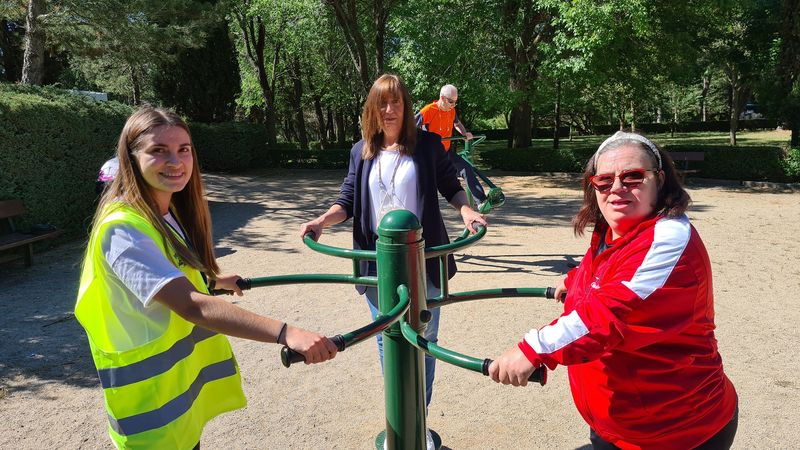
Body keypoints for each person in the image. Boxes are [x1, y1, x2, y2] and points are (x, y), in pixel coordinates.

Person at [75, 106, 338, 450]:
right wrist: (288, 333)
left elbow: (168, 277)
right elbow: (189, 305)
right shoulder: (123, 229)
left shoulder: (163, 213)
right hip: (150, 413)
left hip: (177, 402)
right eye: (158, 151)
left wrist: (211, 280)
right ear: (131, 157)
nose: (176, 161)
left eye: (184, 149)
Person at [489, 131, 738, 450]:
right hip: (618, 428)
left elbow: (607, 314)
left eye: (633, 176)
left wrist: (534, 349)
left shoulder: (668, 239)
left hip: (675, 433)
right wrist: (574, 280)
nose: (617, 188)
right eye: (604, 181)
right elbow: (609, 274)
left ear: (659, 181)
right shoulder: (615, 232)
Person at [300, 74, 486, 449]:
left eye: (396, 103)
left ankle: (418, 418)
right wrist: (321, 221)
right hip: (377, 265)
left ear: (406, 107)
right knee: (388, 341)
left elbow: (451, 185)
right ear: (372, 109)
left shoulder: (428, 146)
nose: (389, 110)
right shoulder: (361, 151)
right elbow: (348, 199)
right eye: (382, 103)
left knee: (424, 338)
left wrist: (467, 211)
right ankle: (400, 419)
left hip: (423, 261)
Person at [415, 84, 487, 208]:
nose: (453, 105)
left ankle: (481, 201)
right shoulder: (428, 110)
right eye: (451, 102)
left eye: (455, 102)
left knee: (466, 168)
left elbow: (457, 124)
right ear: (442, 98)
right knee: (429, 181)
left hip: (446, 152)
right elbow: (412, 126)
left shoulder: (451, 110)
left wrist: (465, 133)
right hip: (431, 154)